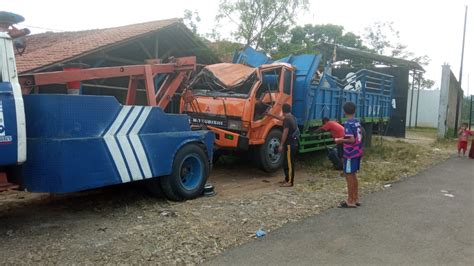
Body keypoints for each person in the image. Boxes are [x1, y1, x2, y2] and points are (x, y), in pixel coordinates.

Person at [335, 102, 363, 208]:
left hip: (350, 154)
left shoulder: (348, 123)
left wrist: (339, 140)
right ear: (354, 111)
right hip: (357, 152)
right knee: (353, 175)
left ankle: (350, 200)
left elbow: (351, 139)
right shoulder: (357, 122)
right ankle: (356, 198)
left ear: (344, 111)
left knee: (349, 176)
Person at [278, 103, 299, 187]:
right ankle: (287, 179)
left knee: (289, 163)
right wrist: (270, 115)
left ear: (282, 110)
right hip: (294, 142)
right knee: (286, 162)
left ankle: (290, 182)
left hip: (290, 144)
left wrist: (281, 145)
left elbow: (285, 132)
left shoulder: (287, 119)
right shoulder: (292, 117)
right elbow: (282, 119)